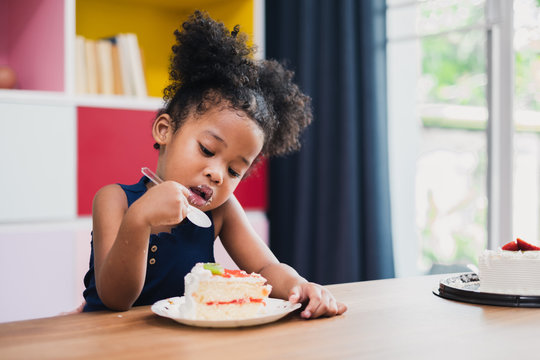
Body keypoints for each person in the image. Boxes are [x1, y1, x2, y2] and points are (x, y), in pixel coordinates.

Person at [82, 10, 347, 319]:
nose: (218, 174)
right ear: (164, 130)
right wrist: (139, 218)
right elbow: (116, 299)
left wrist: (300, 286)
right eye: (207, 150)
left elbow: (264, 267)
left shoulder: (221, 210)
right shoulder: (114, 200)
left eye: (235, 170)